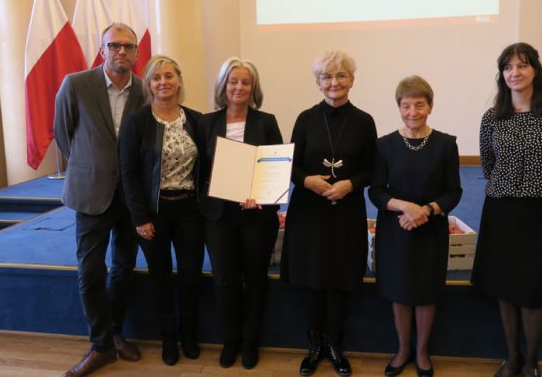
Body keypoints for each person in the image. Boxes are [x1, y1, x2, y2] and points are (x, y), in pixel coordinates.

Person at [472, 43, 542, 377]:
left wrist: (536, 182)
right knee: (505, 287)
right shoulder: (492, 116)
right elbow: (488, 165)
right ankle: (511, 357)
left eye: (522, 65)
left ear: (535, 70)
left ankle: (531, 361)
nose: (514, 73)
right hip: (502, 212)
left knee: (533, 291)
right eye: (507, 67)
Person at [54, 22, 144, 377]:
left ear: (136, 52)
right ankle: (101, 345)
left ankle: (115, 333)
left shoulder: (144, 89)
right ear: (102, 49)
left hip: (130, 196)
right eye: (114, 45)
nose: (121, 51)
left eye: (128, 46)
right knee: (90, 271)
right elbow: (64, 134)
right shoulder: (75, 84)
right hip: (91, 192)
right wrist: (91, 166)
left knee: (123, 267)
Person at [281, 50, 377, 377]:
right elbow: (290, 166)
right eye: (327, 77)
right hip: (309, 211)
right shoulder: (306, 119)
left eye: (341, 76)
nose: (334, 82)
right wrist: (307, 181)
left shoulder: (364, 121)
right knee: (312, 279)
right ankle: (314, 345)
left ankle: (335, 345)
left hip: (346, 211)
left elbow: (372, 170)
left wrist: (350, 184)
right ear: (318, 82)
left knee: (339, 278)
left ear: (352, 80)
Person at [369, 75, 462, 377]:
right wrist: (405, 207)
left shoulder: (446, 145)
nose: (412, 112)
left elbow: (454, 191)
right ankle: (402, 350)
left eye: (419, 105)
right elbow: (376, 191)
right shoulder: (384, 145)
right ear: (399, 107)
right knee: (399, 290)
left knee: (426, 292)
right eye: (406, 106)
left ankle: (421, 351)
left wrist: (426, 210)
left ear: (430, 107)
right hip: (395, 228)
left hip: (430, 229)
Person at [197, 57, 283, 369]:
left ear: (253, 88)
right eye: (233, 81)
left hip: (256, 216)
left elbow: (275, 168)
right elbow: (200, 172)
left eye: (246, 82)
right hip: (219, 216)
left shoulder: (266, 121)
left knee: (255, 279)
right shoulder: (206, 122)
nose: (239, 87)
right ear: (223, 86)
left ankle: (250, 341)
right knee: (224, 280)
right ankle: (230, 339)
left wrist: (260, 195)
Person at [119, 55, 204, 366]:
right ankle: (168, 339)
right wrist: (139, 217)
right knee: (160, 277)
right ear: (149, 84)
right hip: (153, 214)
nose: (163, 82)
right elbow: (128, 172)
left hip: (190, 210)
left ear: (179, 81)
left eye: (169, 76)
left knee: (191, 276)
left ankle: (188, 335)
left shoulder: (196, 120)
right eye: (156, 77)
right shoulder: (136, 121)